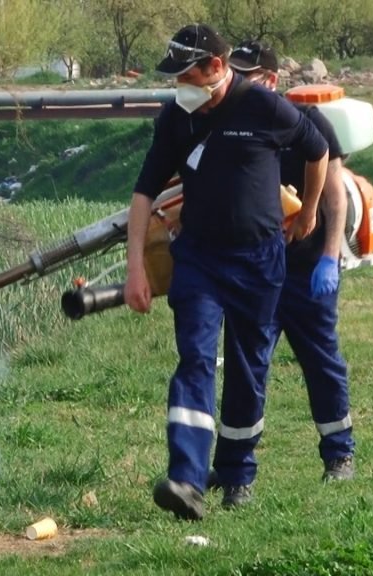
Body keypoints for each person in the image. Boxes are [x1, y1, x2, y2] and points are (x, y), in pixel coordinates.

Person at [124, 23, 329, 520]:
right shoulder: (176, 117)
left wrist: (308, 213)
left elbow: (317, 148)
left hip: (259, 261)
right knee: (194, 358)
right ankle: (187, 479)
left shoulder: (264, 106)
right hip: (198, 257)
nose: (181, 86)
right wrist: (135, 267)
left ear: (216, 68)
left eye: (188, 75)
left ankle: (238, 474)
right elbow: (143, 194)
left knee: (248, 368)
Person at [220, 40, 356, 483]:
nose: (239, 84)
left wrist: (329, 258)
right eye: (234, 75)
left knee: (321, 362)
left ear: (272, 81)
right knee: (245, 371)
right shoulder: (227, 125)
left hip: (303, 270)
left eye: (249, 76)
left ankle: (339, 456)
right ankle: (234, 471)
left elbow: (333, 192)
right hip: (254, 275)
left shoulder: (307, 122)